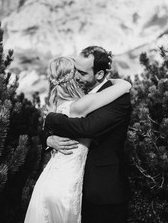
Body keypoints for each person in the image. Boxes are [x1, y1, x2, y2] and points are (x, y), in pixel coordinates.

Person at [24, 56, 131, 223]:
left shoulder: (56, 104)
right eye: (78, 73)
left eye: (83, 72)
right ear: (72, 78)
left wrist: (50, 122)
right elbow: (125, 85)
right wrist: (48, 138)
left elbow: (65, 124)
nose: (80, 77)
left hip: (52, 180)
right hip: (66, 187)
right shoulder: (81, 104)